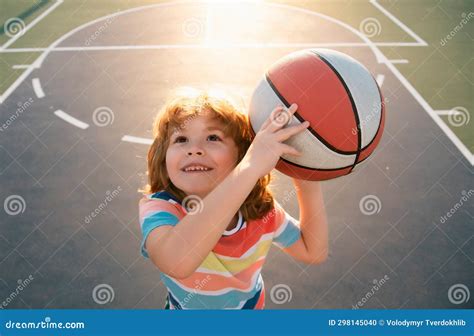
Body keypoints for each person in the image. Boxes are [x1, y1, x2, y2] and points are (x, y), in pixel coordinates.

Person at [139, 88, 328, 309]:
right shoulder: (160, 208)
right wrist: (249, 169)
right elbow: (176, 262)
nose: (194, 149)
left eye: (212, 137)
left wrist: (307, 179)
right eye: (181, 139)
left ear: (242, 153)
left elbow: (312, 250)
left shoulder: (259, 208)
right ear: (163, 157)